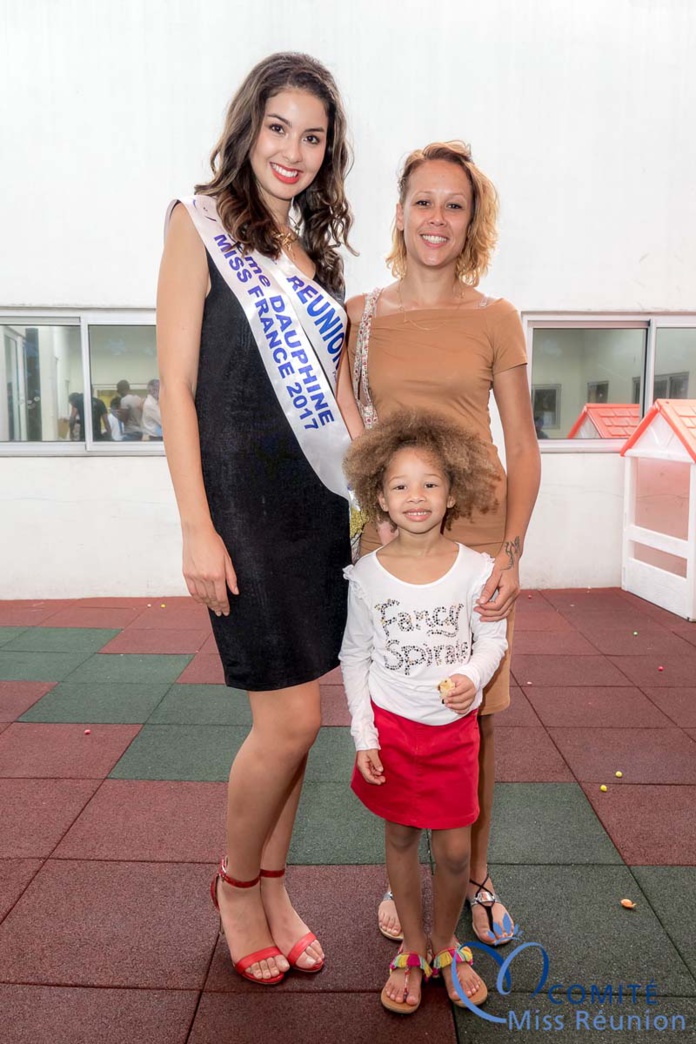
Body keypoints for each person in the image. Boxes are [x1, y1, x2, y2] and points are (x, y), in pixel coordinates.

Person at [157, 52, 355, 987]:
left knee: (305, 719)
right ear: (248, 128)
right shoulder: (196, 225)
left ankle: (275, 884)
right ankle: (235, 886)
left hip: (315, 504)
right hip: (238, 508)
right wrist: (197, 525)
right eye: (279, 127)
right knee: (286, 720)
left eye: (312, 136)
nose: (294, 150)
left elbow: (341, 402)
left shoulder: (318, 260)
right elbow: (178, 385)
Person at [339, 141, 540, 947]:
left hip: (482, 533)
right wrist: (370, 513)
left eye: (454, 204)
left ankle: (475, 877)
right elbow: (345, 429)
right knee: (395, 708)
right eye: (423, 200)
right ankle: (408, 875)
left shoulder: (495, 318)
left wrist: (512, 554)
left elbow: (522, 445)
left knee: (475, 716)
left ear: (472, 222)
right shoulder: (360, 316)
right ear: (399, 212)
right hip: (390, 531)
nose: (437, 217)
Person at [340, 411, 508, 1013]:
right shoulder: (365, 577)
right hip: (391, 732)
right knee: (403, 837)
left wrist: (472, 676)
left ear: (453, 491)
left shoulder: (478, 569)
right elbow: (354, 656)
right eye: (401, 485)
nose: (417, 496)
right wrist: (365, 735)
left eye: (430, 483)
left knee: (456, 852)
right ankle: (413, 949)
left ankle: (445, 943)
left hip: (453, 737)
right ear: (379, 497)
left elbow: (493, 640)